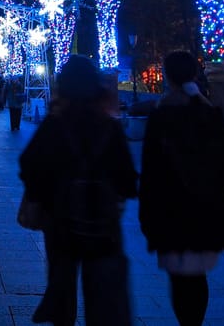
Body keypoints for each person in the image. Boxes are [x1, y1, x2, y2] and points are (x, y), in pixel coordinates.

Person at [139, 50, 224, 326]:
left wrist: (145, 215)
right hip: (208, 209)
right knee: (197, 276)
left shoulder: (161, 116)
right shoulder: (210, 113)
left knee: (180, 277)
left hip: (172, 211)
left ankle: (188, 322)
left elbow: (151, 173)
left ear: (167, 76)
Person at [19, 55, 138, 325]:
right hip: (103, 223)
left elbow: (29, 163)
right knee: (103, 293)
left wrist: (42, 194)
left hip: (60, 219)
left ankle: (62, 314)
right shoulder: (108, 125)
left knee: (62, 283)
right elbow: (128, 179)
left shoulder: (55, 123)